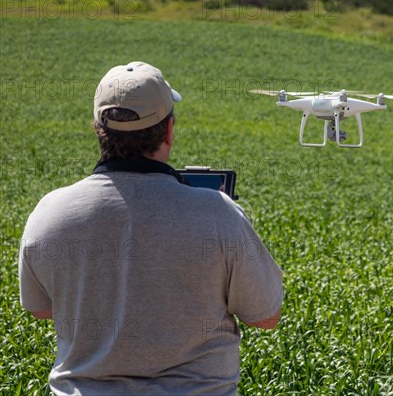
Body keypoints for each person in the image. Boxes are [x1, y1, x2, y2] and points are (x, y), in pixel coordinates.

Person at [19, 61, 283, 396]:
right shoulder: (219, 214)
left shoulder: (50, 212)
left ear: (97, 129)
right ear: (169, 130)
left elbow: (41, 308)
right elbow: (266, 316)